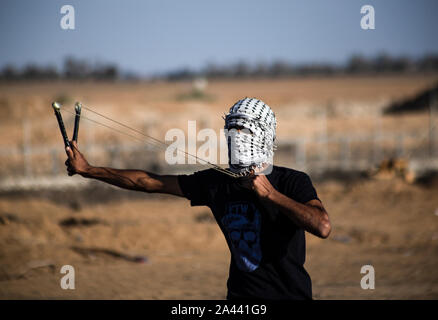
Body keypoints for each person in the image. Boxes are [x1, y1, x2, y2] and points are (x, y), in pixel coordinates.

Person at [65, 97, 331, 300]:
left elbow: (322, 226)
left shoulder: (292, 181)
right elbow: (147, 181)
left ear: (265, 135)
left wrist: (270, 195)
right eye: (232, 130)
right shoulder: (216, 182)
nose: (237, 138)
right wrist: (89, 170)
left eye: (245, 130)